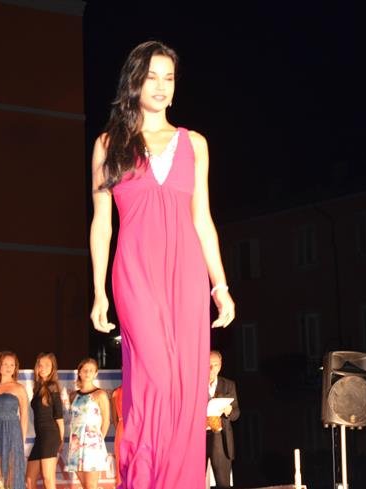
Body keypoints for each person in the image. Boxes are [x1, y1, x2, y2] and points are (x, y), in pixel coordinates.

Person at [88, 40, 235, 489]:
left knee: (186, 387)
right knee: (157, 377)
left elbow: (203, 218)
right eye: (151, 76)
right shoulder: (109, 145)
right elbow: (101, 224)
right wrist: (98, 292)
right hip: (135, 273)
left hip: (187, 276)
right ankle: (144, 478)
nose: (160, 85)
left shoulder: (195, 144)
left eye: (168, 77)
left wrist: (220, 286)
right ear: (133, 82)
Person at [65, 358, 110, 489]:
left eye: (91, 370)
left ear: (96, 373)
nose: (87, 373)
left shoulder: (100, 394)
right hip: (76, 443)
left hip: (92, 444)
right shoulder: (73, 395)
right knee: (85, 485)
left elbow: (106, 420)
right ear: (79, 372)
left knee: (91, 485)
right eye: (85, 370)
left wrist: (98, 441)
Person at [0, 351, 28, 489]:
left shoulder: (19, 388)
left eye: (12, 365)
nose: (9, 367)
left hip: (12, 433)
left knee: (12, 470)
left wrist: (20, 441)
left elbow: (24, 416)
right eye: (5, 364)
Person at [26, 353, 64, 489]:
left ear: (53, 368)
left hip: (50, 436)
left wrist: (61, 438)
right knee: (30, 480)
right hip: (40, 438)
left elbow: (59, 415)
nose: (43, 368)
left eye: (47, 365)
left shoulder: (52, 386)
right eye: (40, 365)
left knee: (48, 479)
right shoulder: (38, 387)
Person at [206, 351, 240, 488]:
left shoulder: (228, 385)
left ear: (220, 366)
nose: (212, 369)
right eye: (209, 365)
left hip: (220, 437)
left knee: (223, 483)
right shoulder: (194, 383)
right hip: (198, 437)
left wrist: (229, 411)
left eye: (215, 365)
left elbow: (236, 413)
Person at [111, 384, 124, 487]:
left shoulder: (141, 389)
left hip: (138, 431)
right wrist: (120, 429)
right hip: (122, 429)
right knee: (121, 463)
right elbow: (115, 418)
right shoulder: (116, 392)